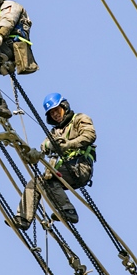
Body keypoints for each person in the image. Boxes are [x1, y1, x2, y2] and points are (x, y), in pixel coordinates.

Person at [14, 92, 97, 230]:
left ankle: (68, 211)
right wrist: (33, 154)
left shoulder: (79, 119)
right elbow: (44, 146)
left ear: (64, 107)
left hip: (80, 167)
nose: (55, 115)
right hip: (63, 171)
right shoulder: (55, 132)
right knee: (36, 182)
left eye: (57, 111)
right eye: (52, 114)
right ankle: (23, 218)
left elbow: (90, 135)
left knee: (47, 179)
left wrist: (68, 145)